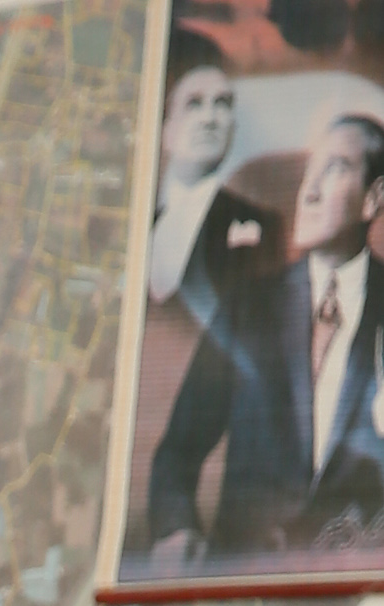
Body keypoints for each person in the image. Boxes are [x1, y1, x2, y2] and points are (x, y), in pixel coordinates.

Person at [148, 106, 384, 564]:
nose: (308, 192)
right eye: (309, 172)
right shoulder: (246, 309)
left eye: (335, 169)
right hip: (244, 579)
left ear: (374, 199)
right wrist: (176, 530)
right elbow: (176, 454)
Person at [143, 29, 275, 330]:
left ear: (233, 128)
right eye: (194, 104)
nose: (210, 118)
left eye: (222, 104)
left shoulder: (262, 224)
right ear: (166, 130)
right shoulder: (142, 221)